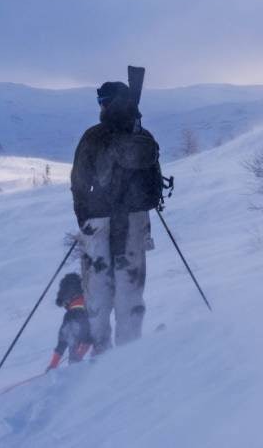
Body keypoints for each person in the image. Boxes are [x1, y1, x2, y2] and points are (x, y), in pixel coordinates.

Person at [70, 81, 162, 353]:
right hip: (134, 219)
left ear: (105, 103)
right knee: (130, 286)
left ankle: (101, 349)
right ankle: (129, 351)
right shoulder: (142, 135)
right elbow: (154, 183)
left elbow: (78, 180)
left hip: (98, 220)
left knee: (97, 287)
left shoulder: (93, 136)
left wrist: (83, 218)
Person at [47, 273, 93, 371]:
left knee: (65, 339)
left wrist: (61, 301)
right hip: (85, 311)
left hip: (73, 313)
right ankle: (77, 359)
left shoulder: (65, 283)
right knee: (87, 337)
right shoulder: (83, 284)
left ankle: (54, 366)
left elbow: (59, 301)